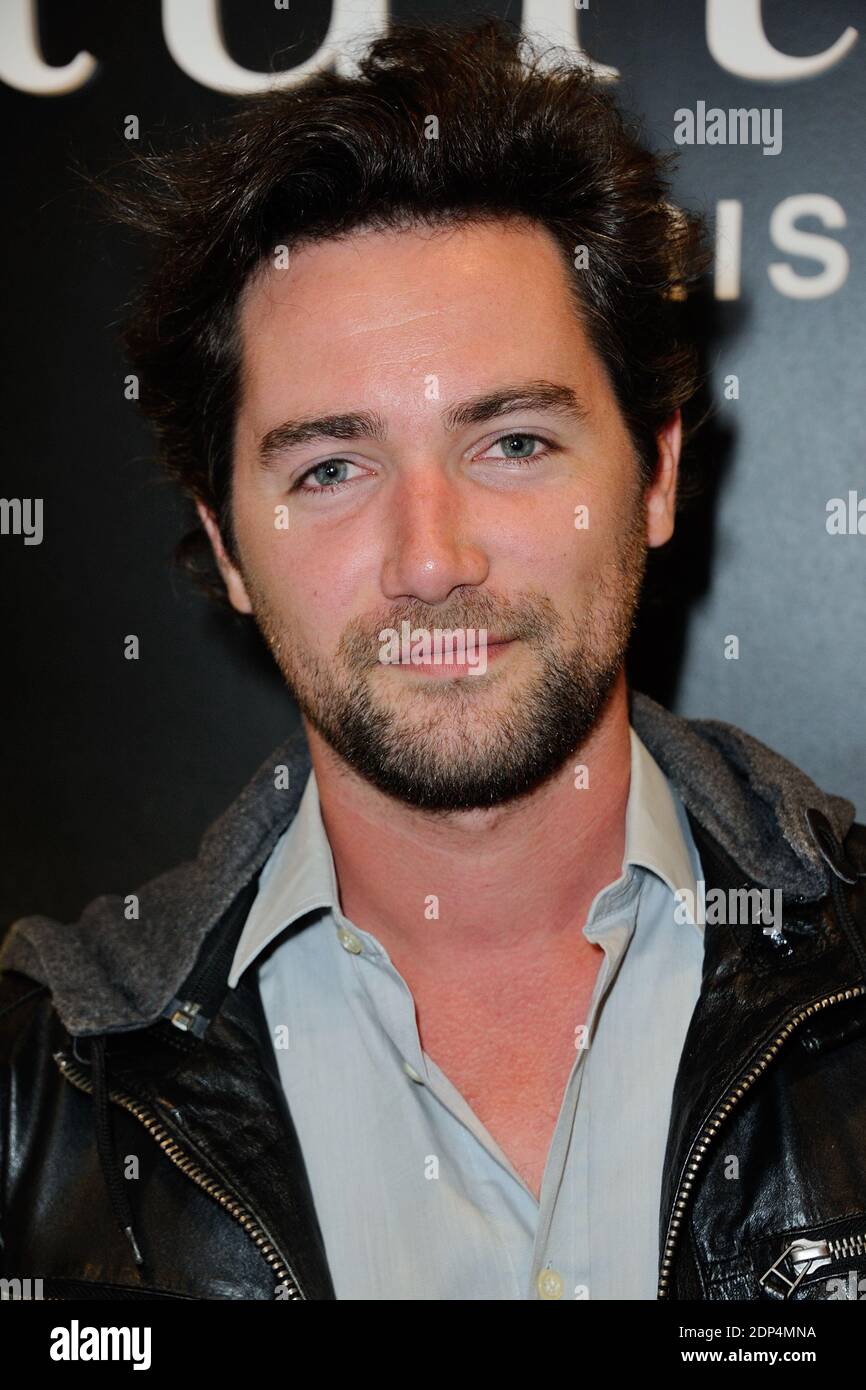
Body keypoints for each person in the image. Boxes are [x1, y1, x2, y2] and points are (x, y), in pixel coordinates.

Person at [1, 18, 864, 1304]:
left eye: (510, 441)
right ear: (226, 547)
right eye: (331, 468)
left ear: (656, 474)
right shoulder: (45, 1086)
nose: (429, 557)